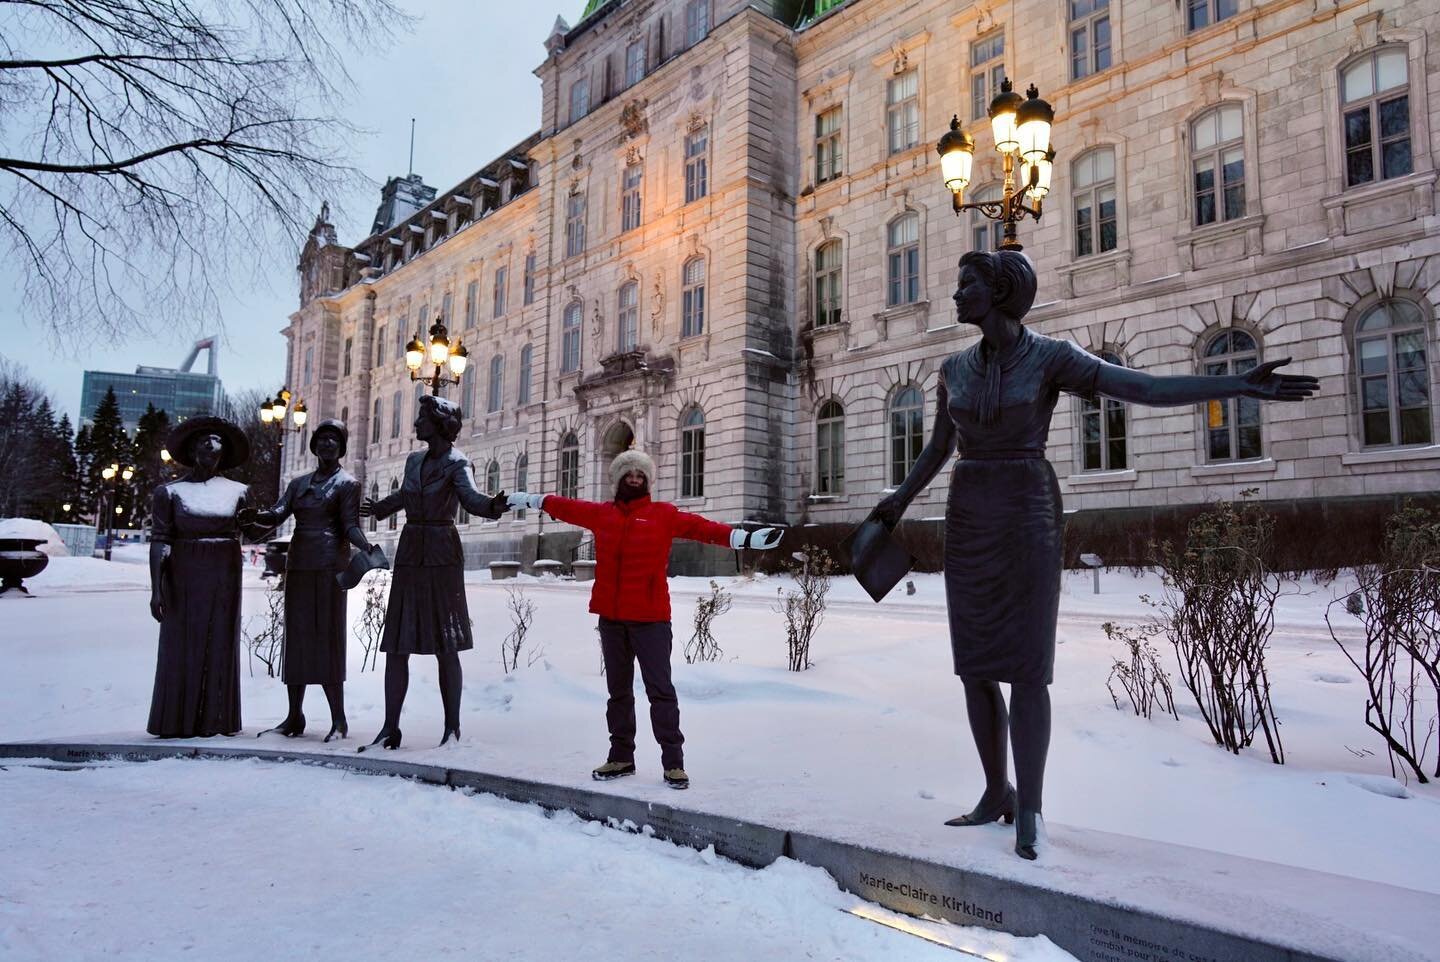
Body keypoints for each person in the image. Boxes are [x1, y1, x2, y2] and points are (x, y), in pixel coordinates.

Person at [871, 250, 1318, 860]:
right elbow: (937, 450)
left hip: (1027, 505)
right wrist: (895, 504)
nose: (954, 297)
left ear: (999, 292)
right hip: (970, 509)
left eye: (966, 285)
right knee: (974, 665)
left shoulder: (1051, 357)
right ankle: (995, 792)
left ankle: (1029, 807)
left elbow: (1141, 387)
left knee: (1027, 666)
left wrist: (1236, 383)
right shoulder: (953, 369)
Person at [508, 449, 783, 789]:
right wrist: (532, 499)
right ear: (618, 480)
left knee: (660, 691)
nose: (634, 479)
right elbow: (567, 508)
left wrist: (743, 538)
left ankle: (673, 763)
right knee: (618, 692)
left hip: (651, 618)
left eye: (640, 475)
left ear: (648, 481)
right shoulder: (602, 515)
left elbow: (701, 528)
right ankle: (621, 757)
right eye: (628, 474)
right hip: (612, 618)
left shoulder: (662, 514)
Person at [358, 395, 506, 750]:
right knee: (397, 644)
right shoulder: (413, 461)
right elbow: (405, 496)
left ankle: (452, 729)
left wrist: (493, 506)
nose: (415, 425)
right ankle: (389, 728)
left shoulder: (458, 463)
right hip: (411, 552)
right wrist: (379, 508)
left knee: (446, 643)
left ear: (440, 424)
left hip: (441, 554)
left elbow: (471, 499)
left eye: (422, 418)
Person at [242, 419, 370, 742]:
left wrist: (365, 546)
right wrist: (255, 516)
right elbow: (277, 513)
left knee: (328, 639)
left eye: (333, 440)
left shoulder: (347, 485)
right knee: (297, 639)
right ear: (314, 446)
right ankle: (293, 715)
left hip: (330, 569)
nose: (327, 444)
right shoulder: (298, 484)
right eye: (322, 439)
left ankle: (338, 720)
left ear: (341, 448)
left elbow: (350, 525)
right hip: (299, 566)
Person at [146, 416, 252, 738]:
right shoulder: (170, 493)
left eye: (217, 442)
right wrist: (156, 589)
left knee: (220, 643)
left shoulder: (239, 492)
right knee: (181, 646)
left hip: (225, 576)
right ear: (192, 450)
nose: (211, 446)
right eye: (205, 441)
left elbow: (254, 530)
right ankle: (177, 719)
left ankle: (216, 719)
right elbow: (161, 540)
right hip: (184, 576)